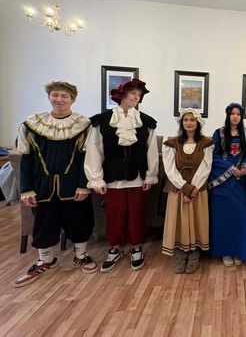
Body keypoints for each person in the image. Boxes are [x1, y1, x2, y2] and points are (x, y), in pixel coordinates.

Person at [14, 81, 96, 287]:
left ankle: (81, 256)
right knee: (44, 221)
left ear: (72, 100)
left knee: (79, 219)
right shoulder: (32, 124)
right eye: (55, 95)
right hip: (42, 185)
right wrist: (26, 189)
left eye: (64, 96)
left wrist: (84, 184)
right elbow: (26, 159)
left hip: (73, 184)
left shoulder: (83, 125)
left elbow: (87, 159)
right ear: (49, 97)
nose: (59, 99)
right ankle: (46, 260)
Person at [84, 78, 158, 272]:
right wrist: (96, 178)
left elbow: (151, 150)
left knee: (137, 212)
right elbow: (94, 150)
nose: (136, 97)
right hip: (112, 176)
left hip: (138, 176)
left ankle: (136, 247)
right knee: (115, 213)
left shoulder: (146, 121)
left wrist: (150, 175)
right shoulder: (102, 121)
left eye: (139, 95)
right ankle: (115, 247)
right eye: (133, 93)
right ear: (121, 95)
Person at [162, 108, 214, 274]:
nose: (189, 122)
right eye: (186, 119)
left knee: (196, 220)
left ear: (198, 122)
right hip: (178, 188)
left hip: (198, 188)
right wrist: (185, 188)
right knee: (180, 221)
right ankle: (180, 253)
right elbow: (170, 169)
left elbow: (206, 167)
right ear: (181, 123)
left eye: (192, 119)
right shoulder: (171, 143)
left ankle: (194, 253)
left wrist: (193, 189)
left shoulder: (206, 143)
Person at [208, 103, 246, 266]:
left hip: (240, 181)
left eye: (238, 114)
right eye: (232, 113)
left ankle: (239, 251)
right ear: (228, 115)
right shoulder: (218, 133)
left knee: (241, 216)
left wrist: (245, 166)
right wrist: (231, 169)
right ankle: (225, 252)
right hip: (222, 182)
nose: (235, 116)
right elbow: (213, 155)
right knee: (223, 218)